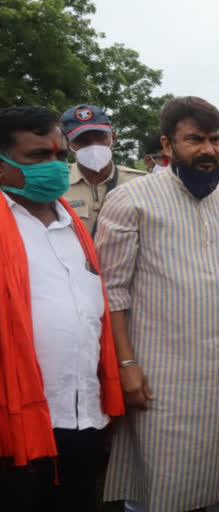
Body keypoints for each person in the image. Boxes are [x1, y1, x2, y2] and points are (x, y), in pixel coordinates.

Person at [96, 97, 219, 511]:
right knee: (160, 478)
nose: (208, 149)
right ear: (167, 144)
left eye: (215, 139)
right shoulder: (132, 201)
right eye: (194, 139)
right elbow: (112, 293)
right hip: (162, 374)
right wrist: (125, 365)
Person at [0, 107, 124, 510]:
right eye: (37, 157)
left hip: (82, 414)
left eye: (58, 154)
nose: (54, 166)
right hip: (15, 423)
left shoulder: (72, 223)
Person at [60, 104, 145, 234]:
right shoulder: (57, 184)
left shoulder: (140, 182)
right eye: (81, 140)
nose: (94, 146)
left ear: (113, 138)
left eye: (100, 137)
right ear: (66, 145)